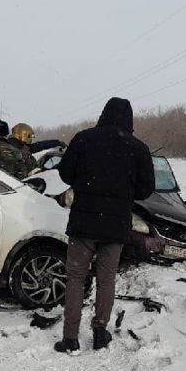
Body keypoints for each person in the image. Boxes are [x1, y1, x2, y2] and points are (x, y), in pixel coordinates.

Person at [54, 97, 155, 354]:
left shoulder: (83, 139)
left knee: (75, 278)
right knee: (106, 279)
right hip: (116, 226)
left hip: (83, 223)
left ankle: (70, 338)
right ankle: (100, 332)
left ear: (103, 114)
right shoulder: (138, 148)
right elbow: (146, 190)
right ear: (129, 119)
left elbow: (65, 173)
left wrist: (87, 180)